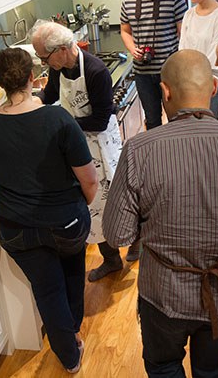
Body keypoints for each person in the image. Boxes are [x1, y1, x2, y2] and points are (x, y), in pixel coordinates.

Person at [104, 50, 218, 378]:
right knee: (214, 370)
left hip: (164, 296)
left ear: (165, 91)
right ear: (214, 88)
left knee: (163, 369)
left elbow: (117, 234)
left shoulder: (139, 150)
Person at [0, 47, 98, 374]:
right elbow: (89, 180)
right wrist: (83, 204)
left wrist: (9, 192)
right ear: (31, 78)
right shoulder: (58, 118)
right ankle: (74, 332)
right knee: (72, 273)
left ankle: (69, 356)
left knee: (47, 289)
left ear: (0, 83)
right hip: (66, 220)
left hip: (17, 228)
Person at [32, 21, 137, 280]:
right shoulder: (60, 68)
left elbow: (100, 121)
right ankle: (112, 260)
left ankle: (138, 240)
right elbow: (51, 93)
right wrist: (33, 103)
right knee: (94, 206)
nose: (45, 63)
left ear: (62, 50)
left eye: (45, 57)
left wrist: (65, 125)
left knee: (116, 197)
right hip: (78, 143)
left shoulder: (96, 71)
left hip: (101, 142)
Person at [120, 0, 188, 130]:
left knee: (176, 119)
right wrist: (132, 49)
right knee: (152, 121)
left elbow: (185, 35)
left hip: (169, 73)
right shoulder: (127, 1)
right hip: (142, 73)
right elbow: (125, 31)